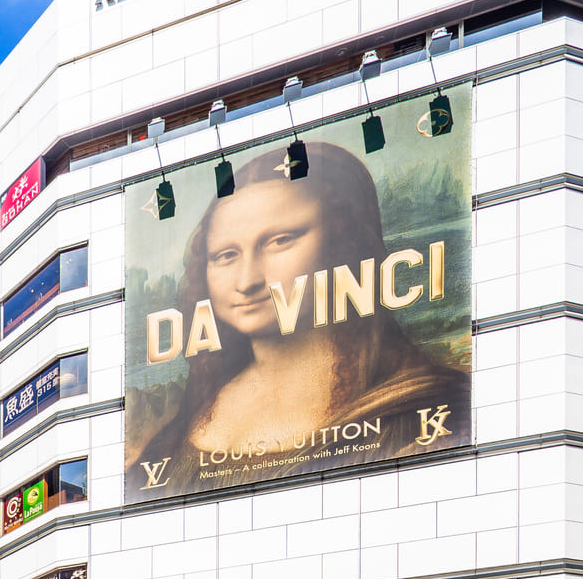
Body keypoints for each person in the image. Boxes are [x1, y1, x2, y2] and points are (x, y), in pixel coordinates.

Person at [129, 140, 470, 498]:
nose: (247, 281)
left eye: (280, 241)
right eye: (226, 255)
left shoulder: (424, 410)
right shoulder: (173, 442)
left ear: (343, 240)